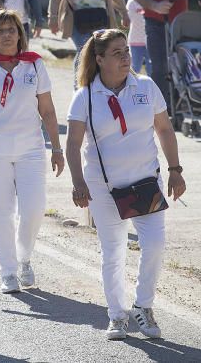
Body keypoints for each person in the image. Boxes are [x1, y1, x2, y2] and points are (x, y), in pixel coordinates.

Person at [66, 29, 186, 340]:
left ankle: (142, 307)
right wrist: (78, 182)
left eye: (126, 51)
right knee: (113, 251)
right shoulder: (85, 97)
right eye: (117, 53)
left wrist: (175, 169)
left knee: (155, 244)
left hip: (146, 182)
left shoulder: (145, 86)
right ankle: (117, 315)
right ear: (100, 59)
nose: (125, 57)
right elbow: (74, 143)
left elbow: (165, 128)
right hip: (104, 188)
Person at [0, 10, 64, 294]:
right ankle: (8, 271)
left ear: (20, 34)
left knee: (33, 209)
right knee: (2, 213)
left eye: (11, 29)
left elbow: (48, 110)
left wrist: (56, 147)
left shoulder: (34, 65)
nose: (6, 35)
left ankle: (24, 257)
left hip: (30, 148)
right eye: (0, 30)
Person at [126, 0, 151, 76]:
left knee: (151, 68)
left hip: (150, 40)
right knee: (135, 68)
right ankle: (132, 87)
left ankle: (152, 87)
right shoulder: (131, 2)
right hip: (135, 40)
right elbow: (129, 19)